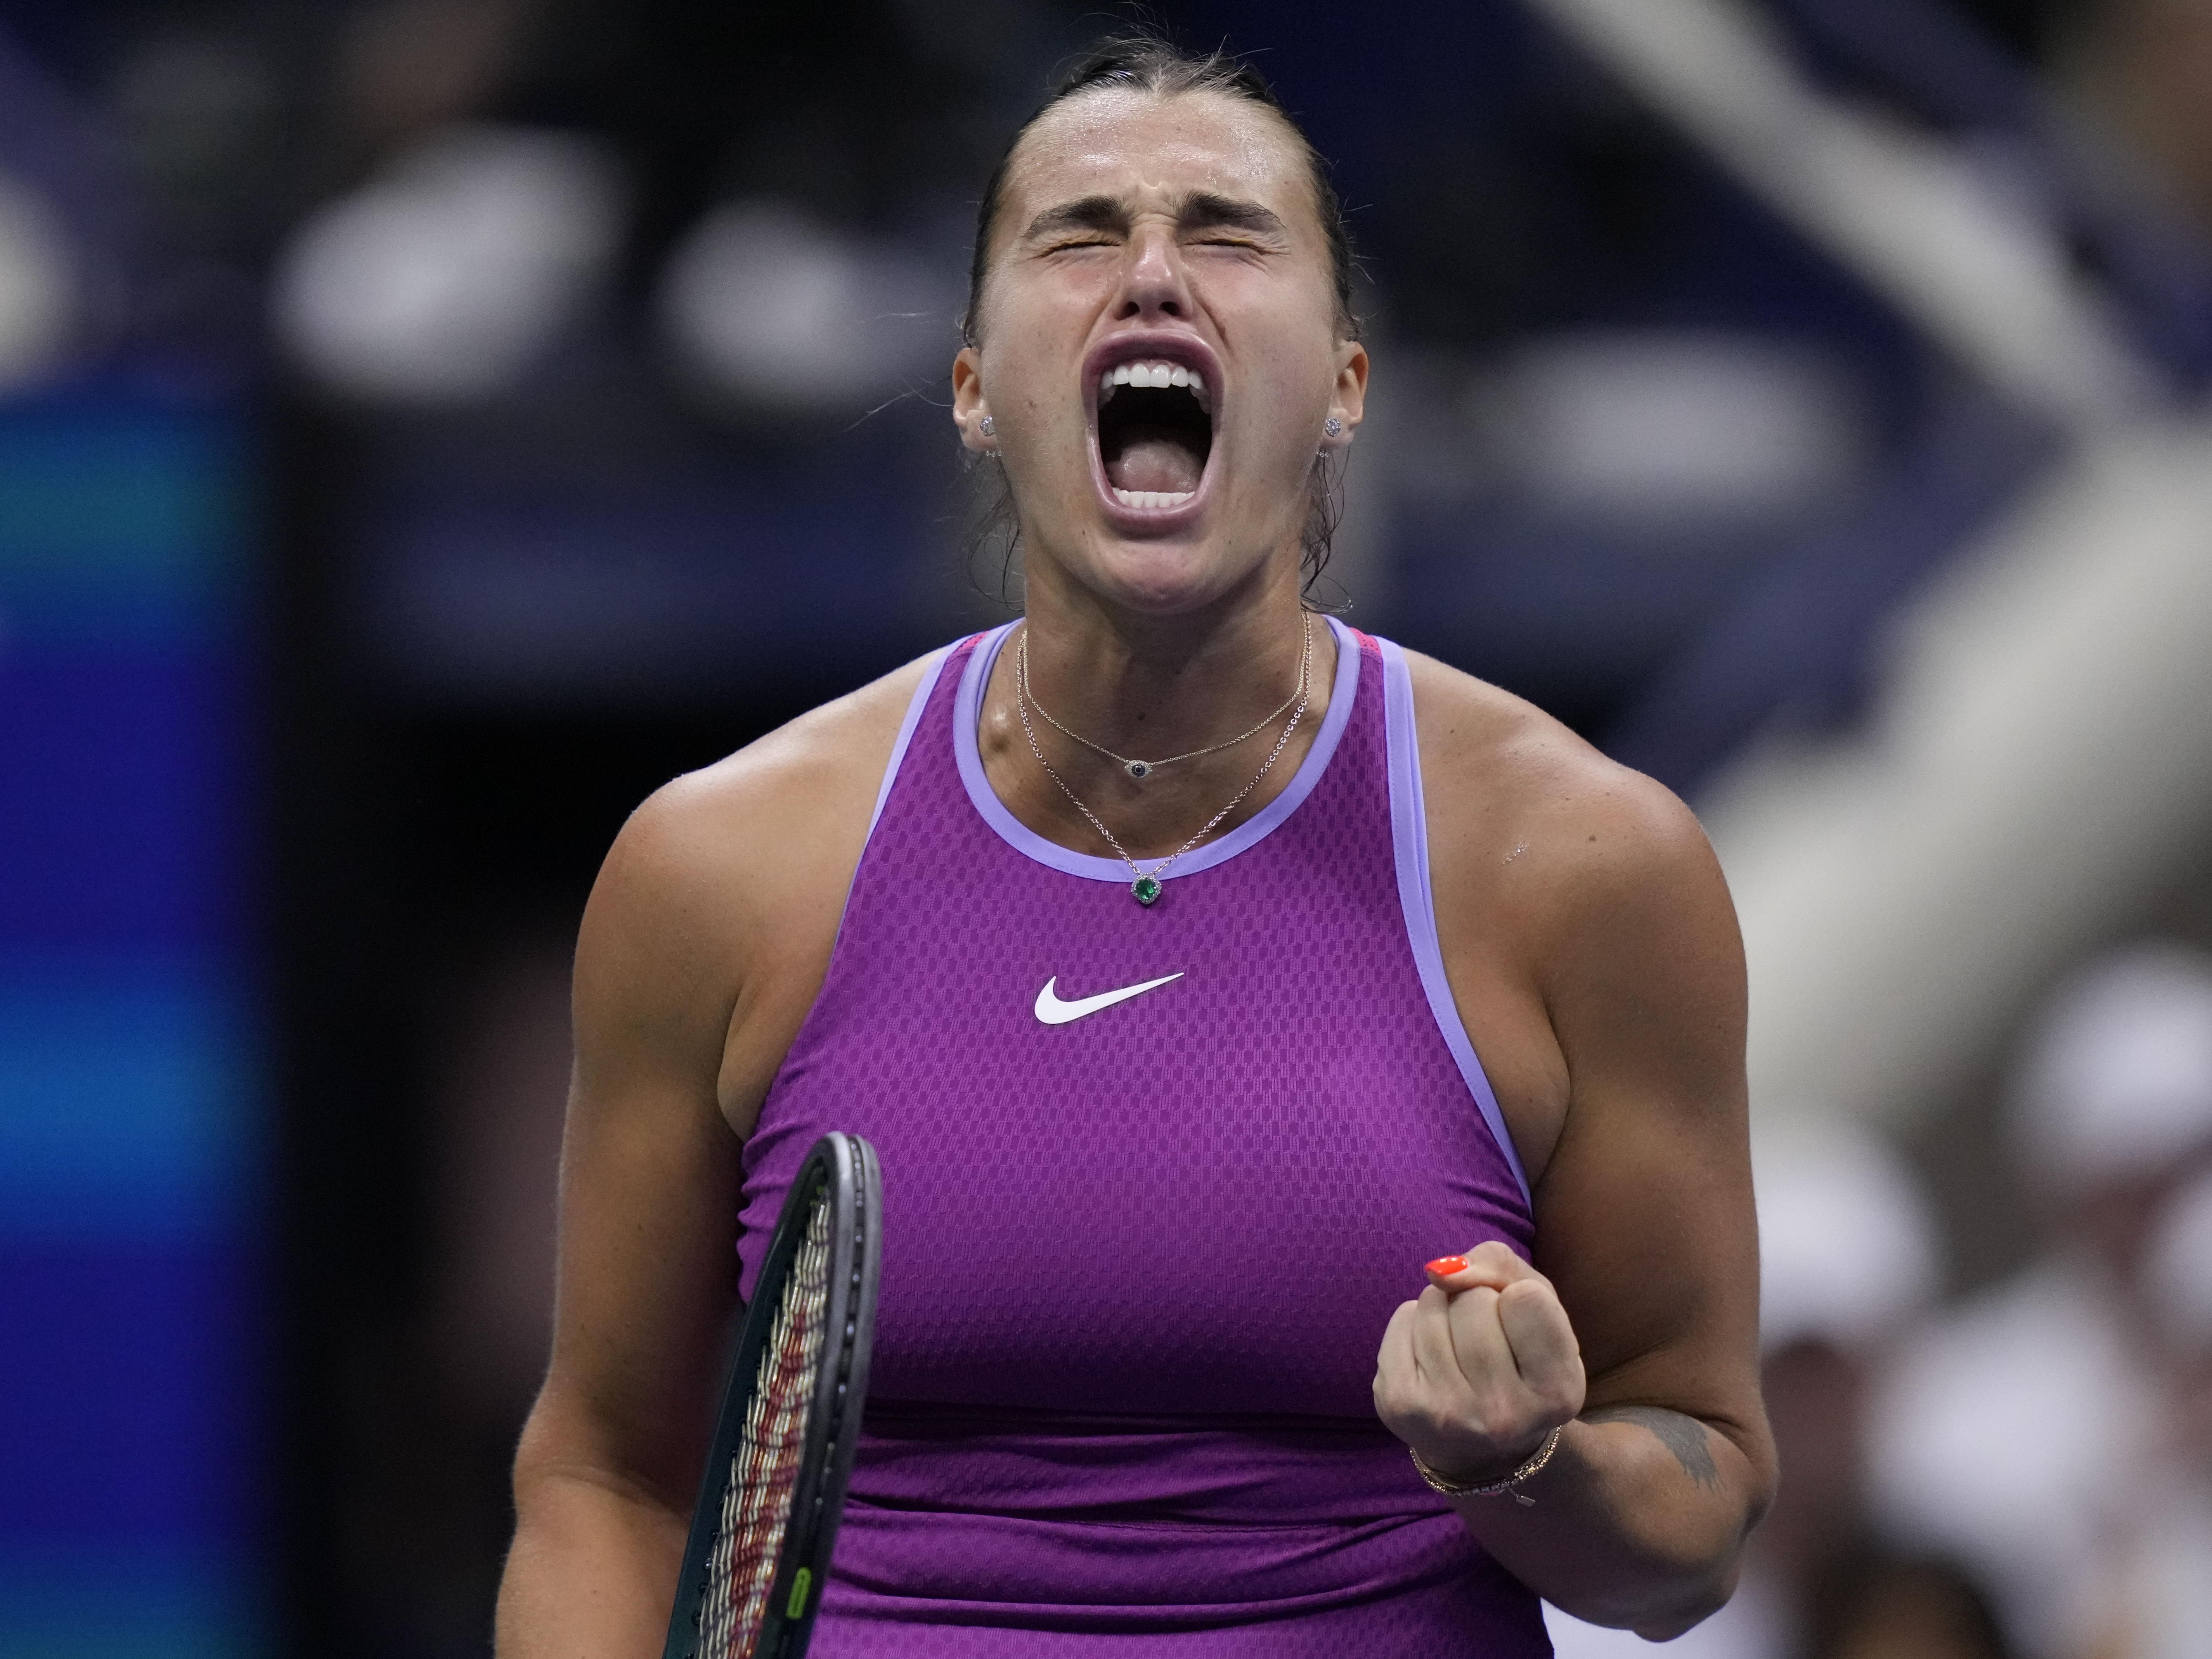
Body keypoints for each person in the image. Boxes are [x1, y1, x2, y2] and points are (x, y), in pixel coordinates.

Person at [495, 35, 1774, 1657]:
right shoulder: (717, 870)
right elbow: (607, 1473)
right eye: (1081, 233)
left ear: (1343, 386)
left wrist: (1519, 1461)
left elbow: (1697, 1518)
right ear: (972, 387)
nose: (1154, 275)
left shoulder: (1587, 864)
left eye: (1230, 235)